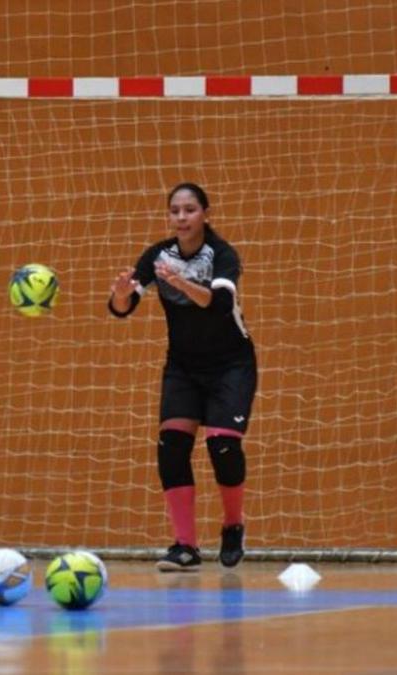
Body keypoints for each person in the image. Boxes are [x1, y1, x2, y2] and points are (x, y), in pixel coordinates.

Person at [108, 182, 257, 571]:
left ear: (205, 214)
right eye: (175, 210)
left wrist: (180, 282)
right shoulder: (159, 255)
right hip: (184, 367)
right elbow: (123, 307)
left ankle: (232, 525)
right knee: (171, 444)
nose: (181, 217)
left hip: (231, 365)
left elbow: (221, 303)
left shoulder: (222, 255)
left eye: (189, 210)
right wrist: (122, 293)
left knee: (222, 446)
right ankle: (186, 546)